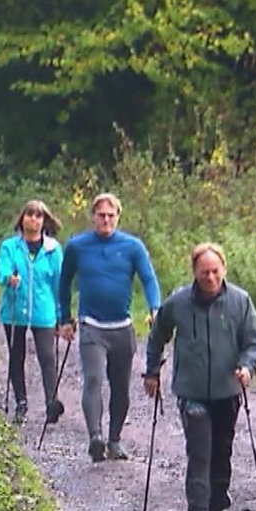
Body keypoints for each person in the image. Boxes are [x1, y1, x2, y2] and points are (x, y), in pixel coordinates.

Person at [143, 243, 256, 511]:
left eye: (215, 271)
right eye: (204, 272)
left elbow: (254, 341)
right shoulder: (179, 302)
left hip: (227, 391)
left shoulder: (240, 301)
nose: (210, 277)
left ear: (223, 269)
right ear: (194, 273)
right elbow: (158, 335)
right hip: (192, 390)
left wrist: (247, 366)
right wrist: (152, 371)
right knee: (200, 452)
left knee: (221, 453)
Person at [56, 193, 162, 462]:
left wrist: (155, 307)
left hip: (122, 327)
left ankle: (114, 440)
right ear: (93, 217)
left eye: (111, 215)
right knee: (93, 379)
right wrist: (65, 318)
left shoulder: (132, 246)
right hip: (92, 325)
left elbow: (148, 279)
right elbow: (64, 283)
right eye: (101, 215)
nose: (106, 220)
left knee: (121, 388)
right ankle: (95, 437)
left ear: (118, 216)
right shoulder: (77, 246)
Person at [0, 200, 65, 424]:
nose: (33, 219)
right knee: (17, 355)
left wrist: (61, 313)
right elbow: (2, 268)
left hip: (43, 311)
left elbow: (59, 282)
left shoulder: (53, 250)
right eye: (29, 215)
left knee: (47, 356)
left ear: (44, 221)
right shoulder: (10, 246)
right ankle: (21, 402)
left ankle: (51, 403)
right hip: (15, 309)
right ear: (22, 219)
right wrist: (9, 278)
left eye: (38, 216)